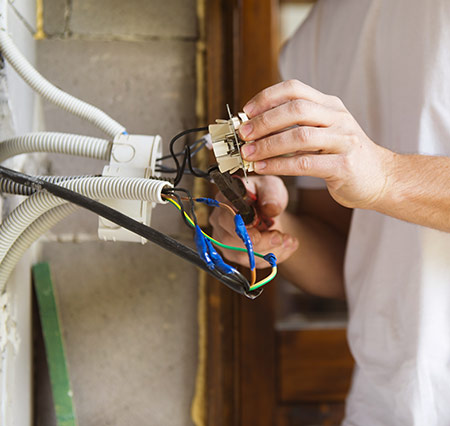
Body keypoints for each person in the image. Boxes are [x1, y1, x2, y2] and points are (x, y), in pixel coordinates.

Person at [209, 1, 450, 425]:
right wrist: (272, 232)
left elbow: (379, 179)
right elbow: (350, 259)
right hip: (385, 405)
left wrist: (388, 174)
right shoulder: (318, 34)